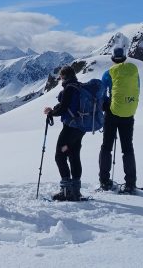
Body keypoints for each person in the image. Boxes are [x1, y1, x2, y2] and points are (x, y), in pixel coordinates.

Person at [99, 47, 140, 194]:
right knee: (127, 148)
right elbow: (137, 89)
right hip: (128, 114)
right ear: (124, 58)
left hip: (112, 114)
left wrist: (105, 105)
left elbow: (101, 93)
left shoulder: (108, 73)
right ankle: (130, 183)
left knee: (106, 147)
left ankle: (104, 181)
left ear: (112, 59)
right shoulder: (134, 71)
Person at [44, 65, 85, 201]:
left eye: (61, 76)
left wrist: (51, 113)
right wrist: (54, 110)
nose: (60, 79)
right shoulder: (78, 87)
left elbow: (63, 109)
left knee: (60, 155)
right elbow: (65, 105)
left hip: (69, 129)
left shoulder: (68, 88)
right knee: (74, 155)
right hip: (79, 129)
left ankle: (66, 191)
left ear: (64, 76)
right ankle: (76, 190)